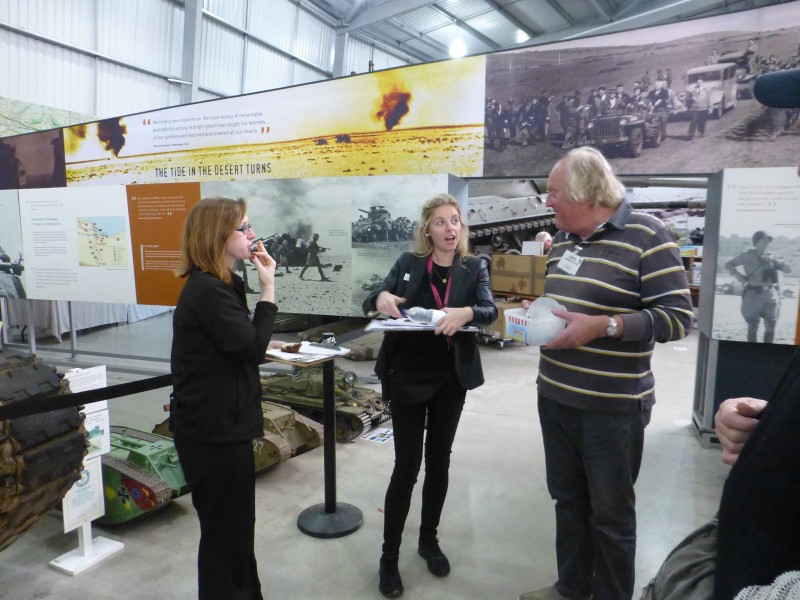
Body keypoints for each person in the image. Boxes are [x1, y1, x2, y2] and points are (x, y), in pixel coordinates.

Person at [519, 147, 693, 600]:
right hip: (555, 395)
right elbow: (566, 304)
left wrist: (605, 326)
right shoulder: (562, 241)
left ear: (583, 193)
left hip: (611, 409)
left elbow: (677, 318)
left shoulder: (649, 236)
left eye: (553, 194)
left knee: (611, 517)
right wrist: (538, 316)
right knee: (568, 502)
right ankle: (571, 588)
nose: (548, 202)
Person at [363, 192, 497, 598]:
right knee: (407, 467)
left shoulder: (474, 268)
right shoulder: (408, 264)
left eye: (454, 220)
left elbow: (490, 310)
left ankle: (428, 540)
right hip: (407, 376)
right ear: (427, 230)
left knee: (439, 463)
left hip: (449, 381)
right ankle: (389, 558)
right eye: (440, 221)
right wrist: (382, 298)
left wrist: (467, 313)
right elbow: (373, 299)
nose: (450, 228)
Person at [170, 196, 282, 600]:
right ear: (218, 235)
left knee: (234, 534)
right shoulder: (208, 291)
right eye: (244, 228)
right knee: (225, 537)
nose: (252, 235)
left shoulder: (222, 285)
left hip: (219, 427)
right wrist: (269, 289)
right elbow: (251, 349)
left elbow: (239, 344)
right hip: (212, 434)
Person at [724, 230, 790, 343]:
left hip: (771, 295)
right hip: (753, 295)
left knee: (771, 326)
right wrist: (739, 275)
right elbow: (728, 264)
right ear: (756, 242)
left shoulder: (774, 256)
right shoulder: (747, 255)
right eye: (763, 240)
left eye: (768, 241)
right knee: (753, 326)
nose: (766, 243)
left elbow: (787, 270)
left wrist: (778, 262)